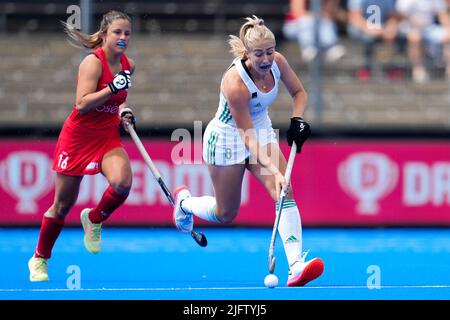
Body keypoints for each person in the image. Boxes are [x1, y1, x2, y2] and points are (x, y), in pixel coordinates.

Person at [173, 16, 324, 287]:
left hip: (261, 130)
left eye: (269, 51)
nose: (266, 59)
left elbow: (299, 92)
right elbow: (246, 138)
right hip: (227, 140)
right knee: (225, 213)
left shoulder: (278, 62)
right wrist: (275, 170)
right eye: (259, 54)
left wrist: (297, 120)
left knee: (284, 190)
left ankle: (295, 266)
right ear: (247, 53)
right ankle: (184, 203)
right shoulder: (235, 84)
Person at [28, 10, 136, 282]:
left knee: (122, 182)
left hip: (106, 136)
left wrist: (123, 111)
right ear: (104, 34)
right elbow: (82, 104)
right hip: (78, 138)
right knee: (62, 205)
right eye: (117, 33)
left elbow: (118, 99)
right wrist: (112, 88)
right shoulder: (92, 63)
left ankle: (96, 219)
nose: (123, 38)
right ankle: (39, 258)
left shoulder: (128, 64)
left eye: (127, 33)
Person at [396, 0, 450, 83]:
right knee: (415, 37)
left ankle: (448, 68)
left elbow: (442, 13)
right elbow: (398, 15)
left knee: (448, 35)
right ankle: (418, 69)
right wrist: (411, 20)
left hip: (429, 28)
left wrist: (447, 28)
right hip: (409, 27)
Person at [347, 0, 402, 80]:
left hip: (382, 29)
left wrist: (391, 28)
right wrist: (373, 30)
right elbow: (355, 19)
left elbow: (392, 17)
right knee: (367, 39)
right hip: (362, 30)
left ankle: (391, 68)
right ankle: (365, 69)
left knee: (397, 37)